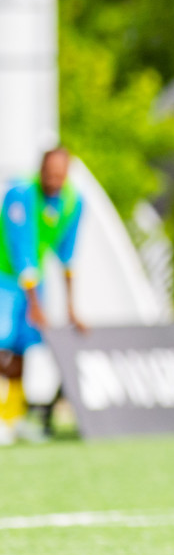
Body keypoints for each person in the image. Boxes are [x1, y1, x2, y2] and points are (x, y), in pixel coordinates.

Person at [0, 147, 86, 443]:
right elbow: (21, 251)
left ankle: (12, 416)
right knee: (2, 341)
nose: (54, 179)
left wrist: (72, 307)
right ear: (40, 170)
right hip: (5, 276)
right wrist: (34, 305)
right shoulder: (20, 195)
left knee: (24, 347)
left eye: (60, 174)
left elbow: (68, 256)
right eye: (49, 173)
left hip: (34, 282)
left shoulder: (73, 202)